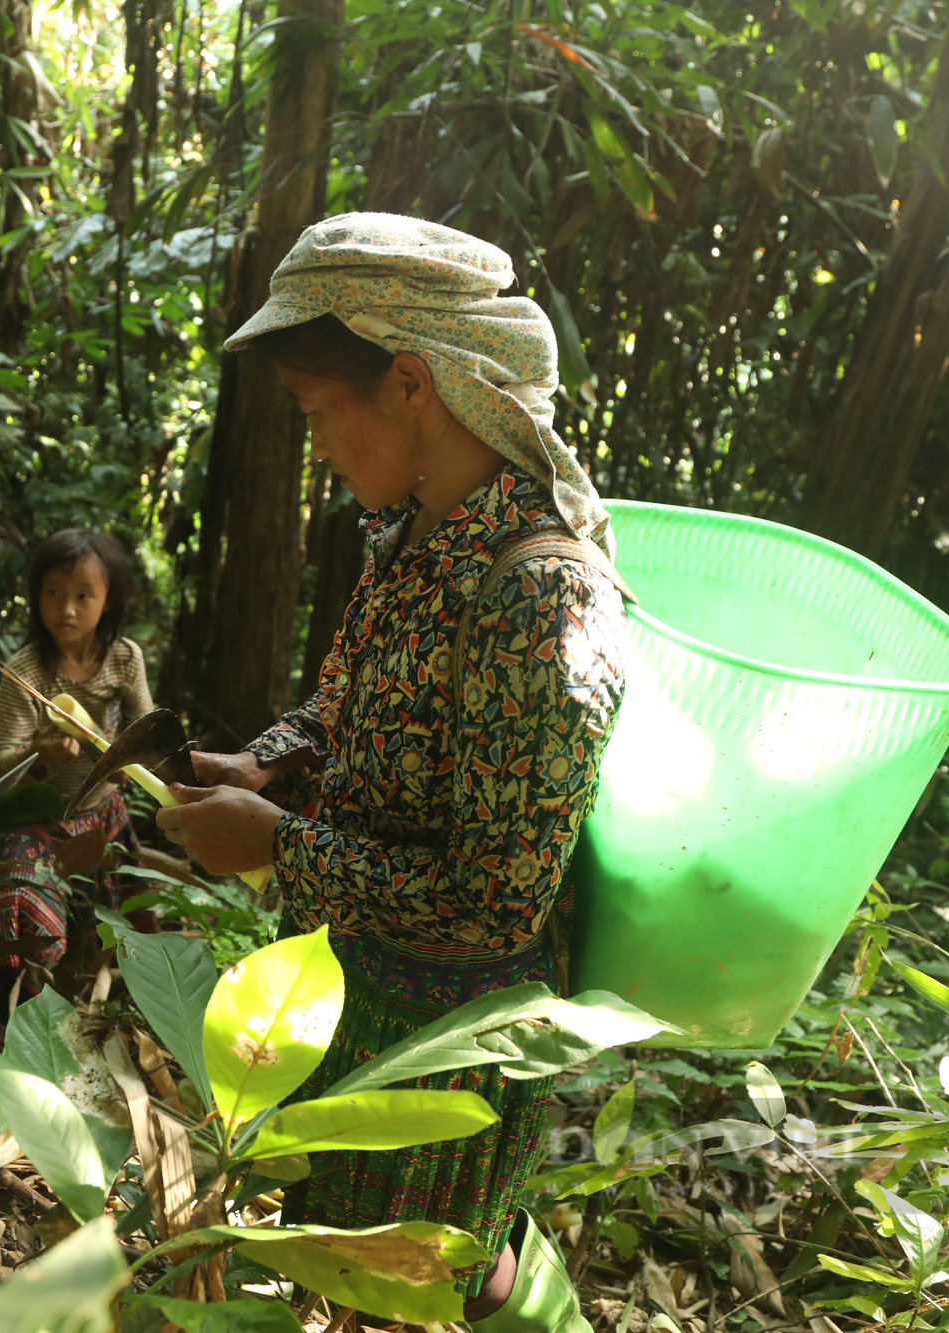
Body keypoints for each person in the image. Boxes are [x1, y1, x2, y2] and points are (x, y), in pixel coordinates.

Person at [157, 214, 628, 1333]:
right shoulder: (416, 530)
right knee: (330, 1250)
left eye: (321, 412)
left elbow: (494, 895)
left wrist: (273, 846)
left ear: (410, 385)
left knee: (407, 1283)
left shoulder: (539, 594)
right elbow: (356, 695)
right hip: (350, 984)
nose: (315, 443)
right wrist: (268, 760)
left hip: (442, 1043)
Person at [0, 528, 154, 1012]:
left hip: (101, 817)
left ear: (108, 600)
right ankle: (13, 1008)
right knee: (25, 913)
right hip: (34, 820)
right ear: (34, 596)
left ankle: (100, 1001)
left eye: (82, 595)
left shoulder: (125, 659)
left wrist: (123, 765)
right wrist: (42, 755)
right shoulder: (26, 670)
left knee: (113, 937)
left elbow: (146, 738)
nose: (65, 609)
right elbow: (1, 765)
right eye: (52, 593)